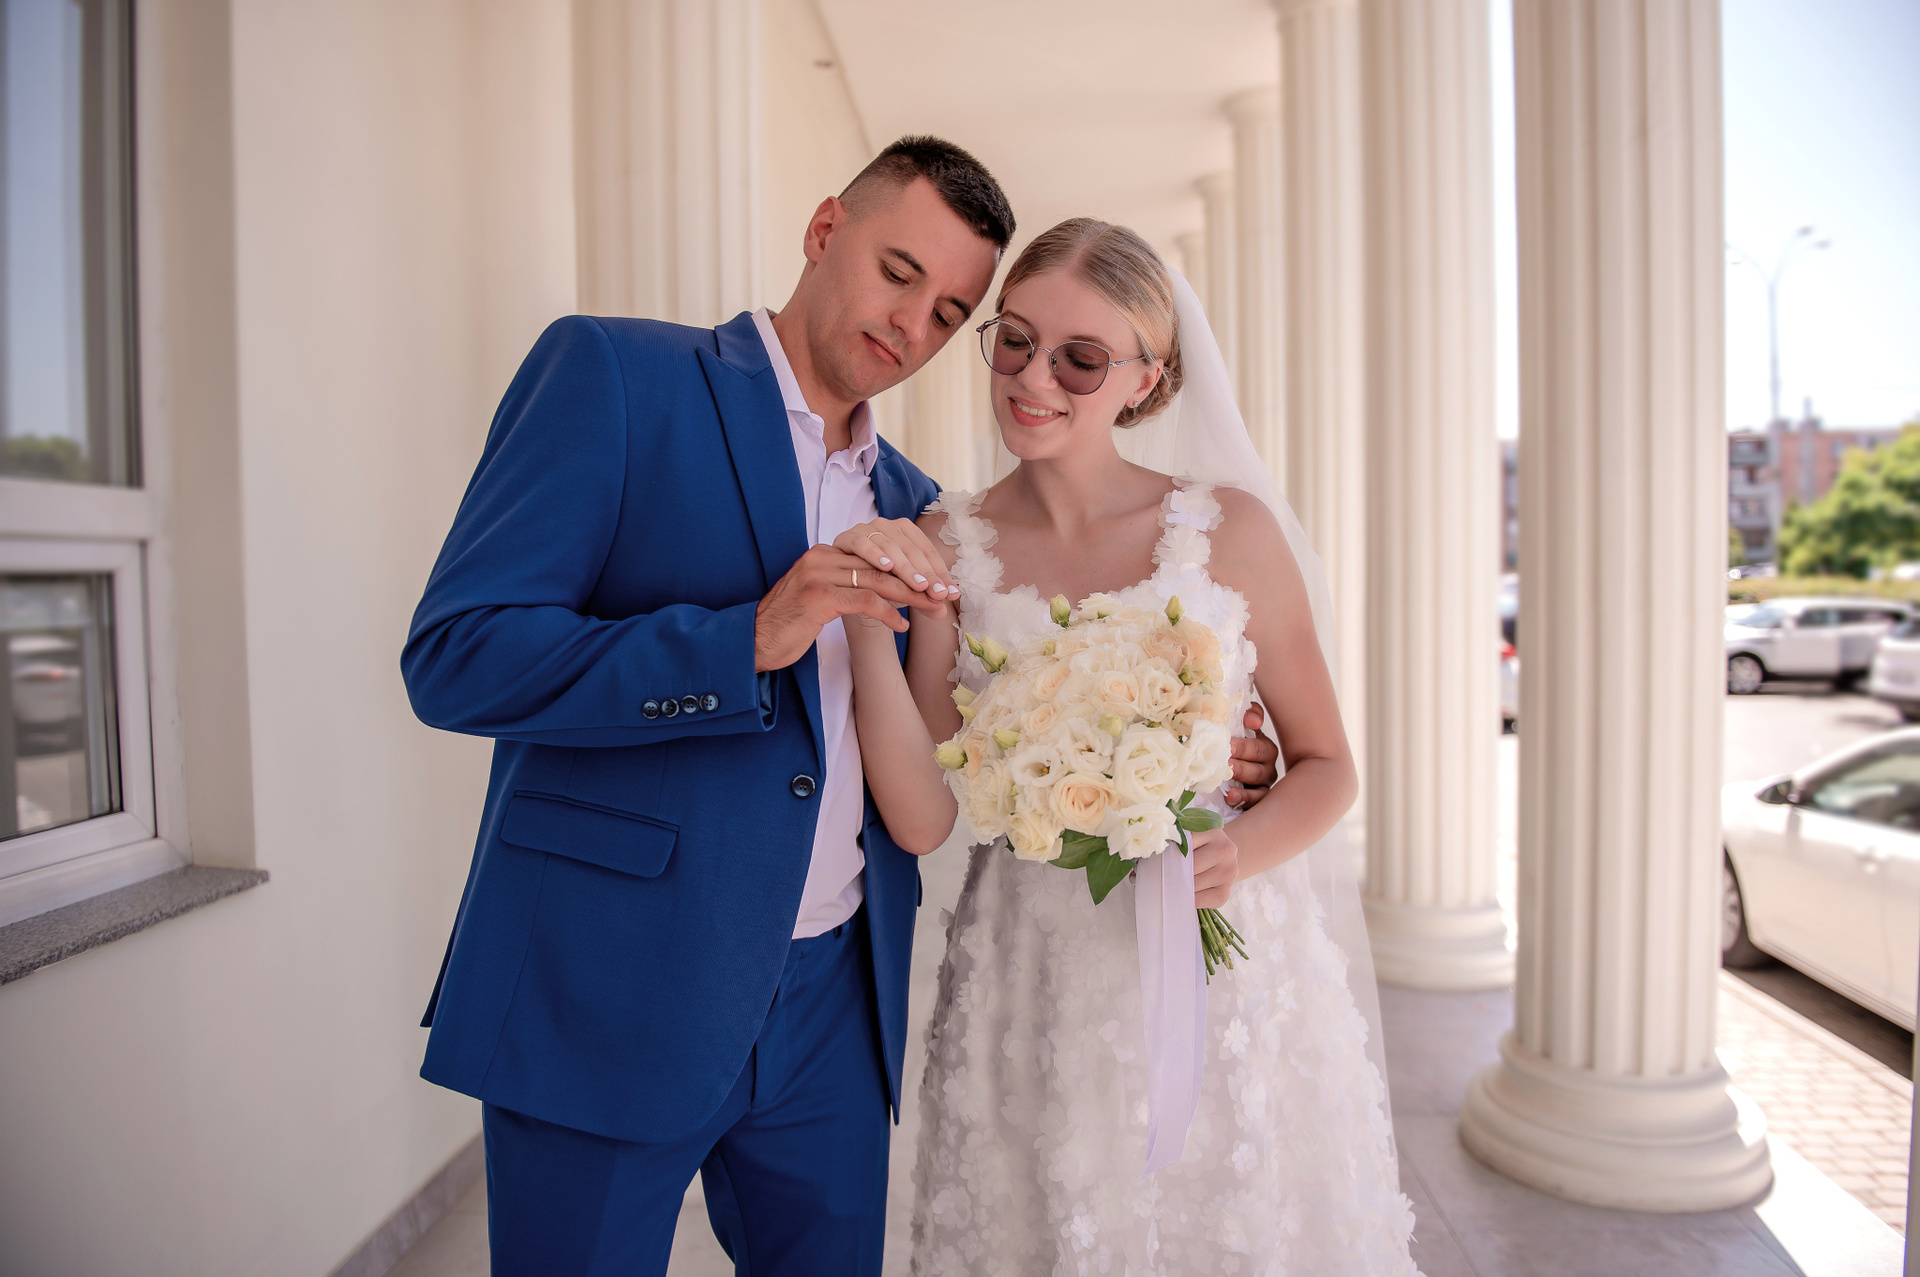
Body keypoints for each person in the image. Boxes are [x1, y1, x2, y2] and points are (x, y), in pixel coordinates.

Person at [401, 138, 1283, 1276]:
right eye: (897, 271)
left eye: (951, 310)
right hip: (610, 985)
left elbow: (991, 727)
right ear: (825, 230)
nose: (912, 322)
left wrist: (1200, 751)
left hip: (835, 1006)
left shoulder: (928, 516)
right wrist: (744, 640)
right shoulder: (616, 376)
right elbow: (457, 656)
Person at [833, 218, 1420, 1273]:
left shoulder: (1227, 531)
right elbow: (922, 810)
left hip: (1220, 965)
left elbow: (1328, 765)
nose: (1033, 378)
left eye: (1081, 358)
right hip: (1031, 965)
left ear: (1147, 379)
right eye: (1015, 340)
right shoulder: (948, 545)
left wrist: (1235, 850)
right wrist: (869, 624)